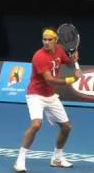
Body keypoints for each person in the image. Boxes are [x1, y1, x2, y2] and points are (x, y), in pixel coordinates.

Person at [14, 27, 82, 172]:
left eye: (49, 39)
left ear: (55, 41)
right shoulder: (39, 56)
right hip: (36, 95)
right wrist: (72, 79)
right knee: (36, 124)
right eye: (44, 39)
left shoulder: (59, 50)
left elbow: (67, 63)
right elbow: (50, 80)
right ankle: (20, 160)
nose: (46, 42)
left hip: (51, 96)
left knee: (66, 127)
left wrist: (73, 60)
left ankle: (57, 158)